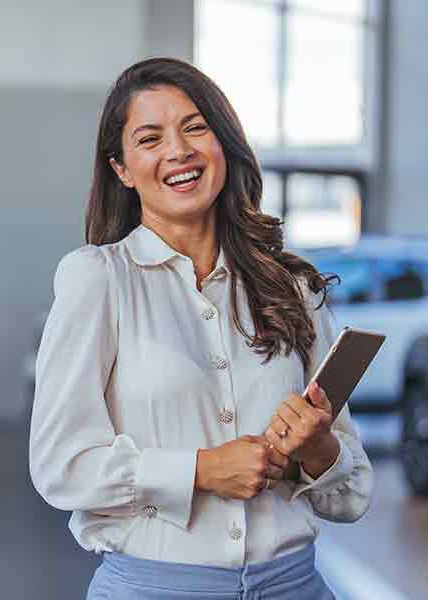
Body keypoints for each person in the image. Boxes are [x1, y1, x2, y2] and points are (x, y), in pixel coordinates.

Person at [29, 57, 373, 600]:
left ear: (224, 144)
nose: (178, 151)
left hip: (295, 585)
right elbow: (60, 467)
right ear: (121, 168)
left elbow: (350, 496)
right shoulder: (98, 280)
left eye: (195, 127)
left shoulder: (291, 288)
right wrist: (200, 470)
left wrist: (318, 449)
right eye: (150, 138)